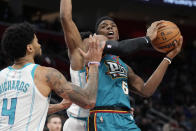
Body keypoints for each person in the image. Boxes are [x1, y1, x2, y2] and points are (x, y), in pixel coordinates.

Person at [59, 0, 174, 131]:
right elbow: (65, 18)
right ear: (96, 35)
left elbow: (145, 90)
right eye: (104, 26)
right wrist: (147, 39)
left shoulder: (124, 66)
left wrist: (168, 58)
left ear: (118, 34)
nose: (109, 27)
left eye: (113, 25)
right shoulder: (92, 49)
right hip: (102, 115)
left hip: (125, 117)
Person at [0, 22, 103, 131]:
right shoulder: (46, 74)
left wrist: (60, 106)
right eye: (36, 40)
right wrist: (94, 63)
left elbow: (22, 111)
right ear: (29, 48)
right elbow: (88, 100)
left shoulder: (1, 75)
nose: (39, 43)